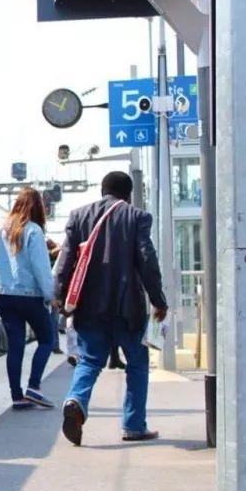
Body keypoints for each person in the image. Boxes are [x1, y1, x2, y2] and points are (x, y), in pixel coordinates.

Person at [55, 171, 168, 445]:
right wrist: (158, 299)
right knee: (137, 363)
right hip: (127, 307)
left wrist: (60, 297)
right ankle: (133, 425)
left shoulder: (79, 216)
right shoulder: (137, 217)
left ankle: (75, 400)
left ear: (102, 190)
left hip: (88, 307)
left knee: (89, 360)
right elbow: (147, 259)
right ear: (128, 195)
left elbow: (65, 258)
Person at [0, 187, 57, 410]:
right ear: (37, 207)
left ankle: (17, 396)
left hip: (4, 296)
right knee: (47, 339)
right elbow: (41, 268)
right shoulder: (34, 231)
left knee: (15, 346)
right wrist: (51, 296)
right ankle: (34, 386)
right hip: (30, 296)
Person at [46, 238, 64, 355]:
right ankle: (54, 345)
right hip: (51, 289)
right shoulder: (49, 256)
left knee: (53, 319)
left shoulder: (49, 256)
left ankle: (54, 345)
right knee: (53, 320)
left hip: (49, 289)